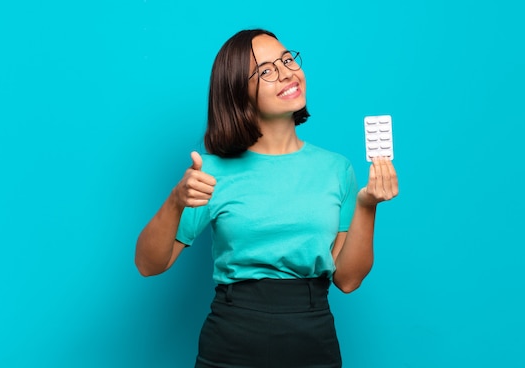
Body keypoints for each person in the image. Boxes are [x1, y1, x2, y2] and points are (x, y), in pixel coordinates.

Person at [135, 29, 398, 368]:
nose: (288, 72)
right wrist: (176, 200)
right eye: (266, 71)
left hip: (312, 335)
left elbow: (347, 280)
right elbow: (148, 265)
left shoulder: (336, 169)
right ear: (237, 94)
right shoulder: (211, 171)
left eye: (287, 60)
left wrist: (367, 205)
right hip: (232, 338)